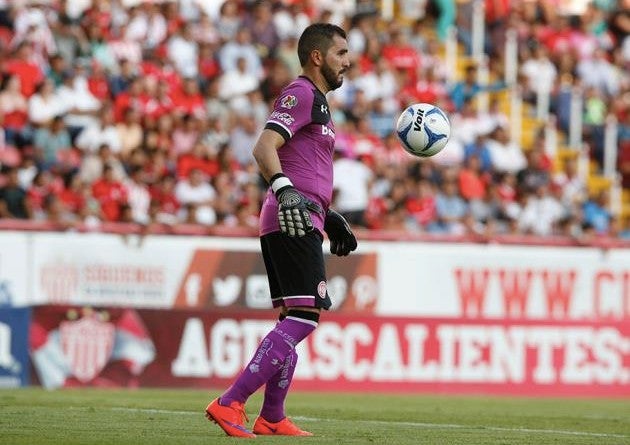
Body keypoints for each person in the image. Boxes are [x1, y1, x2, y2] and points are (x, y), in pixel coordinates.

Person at [204, 23, 356, 438]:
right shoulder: (302, 92)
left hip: (304, 213)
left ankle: (272, 415)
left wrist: (330, 214)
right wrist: (286, 190)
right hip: (291, 215)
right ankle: (230, 402)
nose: (349, 61)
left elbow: (306, 168)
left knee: (294, 314)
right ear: (317, 56)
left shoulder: (320, 104)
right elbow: (264, 147)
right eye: (341, 52)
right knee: (306, 317)